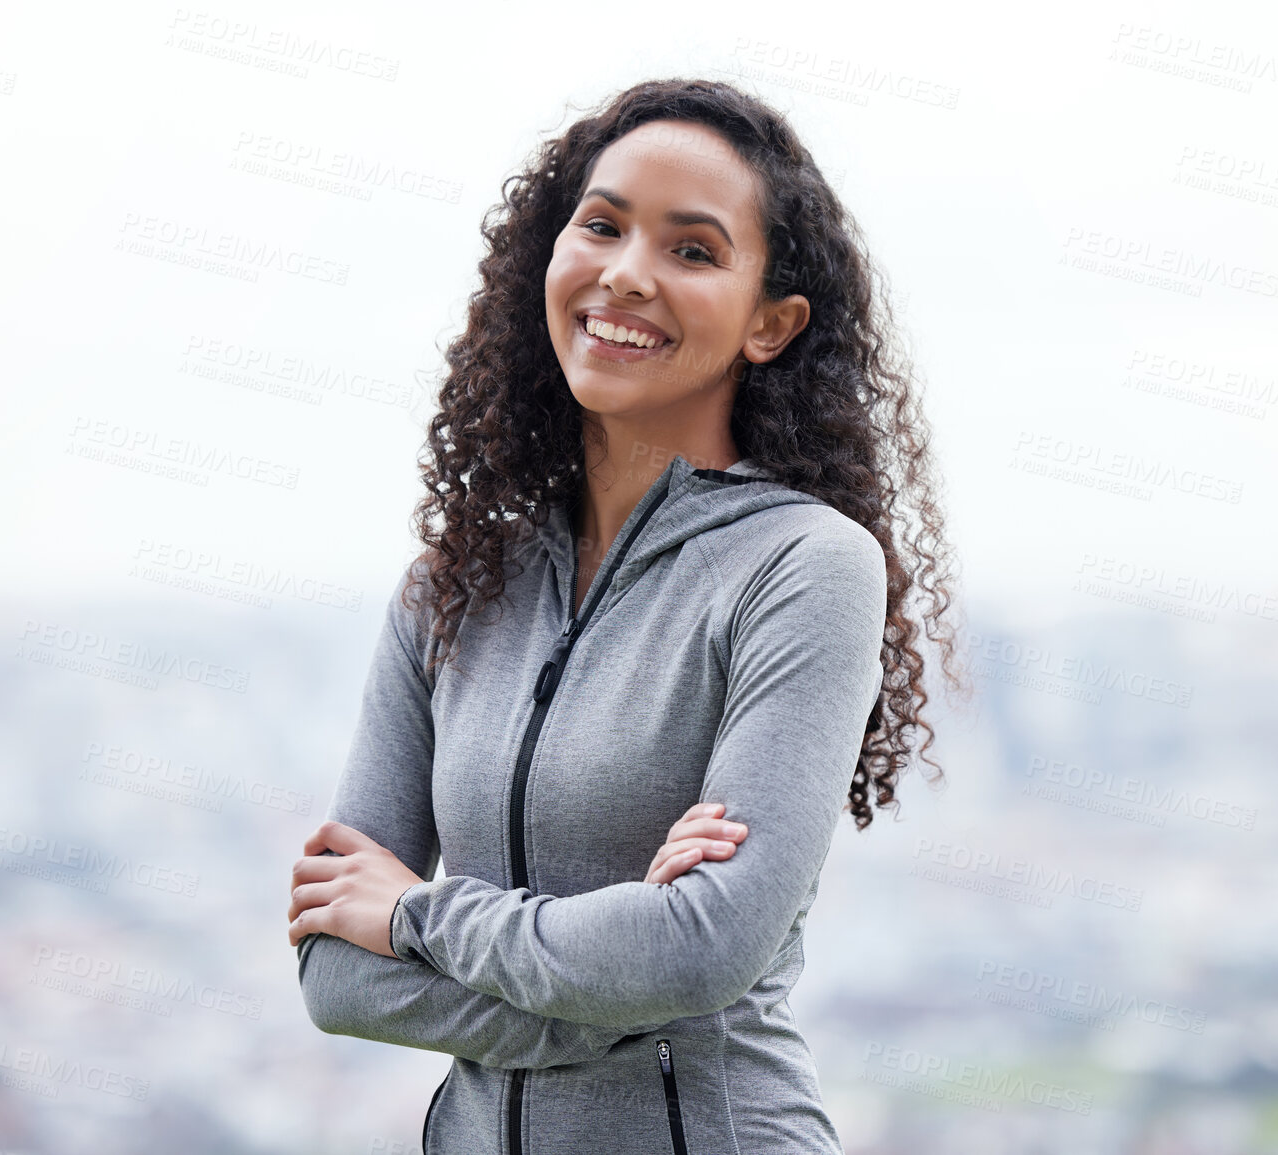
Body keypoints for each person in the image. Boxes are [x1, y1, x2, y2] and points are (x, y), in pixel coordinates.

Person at [286, 77, 955, 1155]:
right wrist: (613, 990)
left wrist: (415, 914)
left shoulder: (804, 565)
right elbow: (333, 971)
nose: (627, 275)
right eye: (600, 226)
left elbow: (700, 952)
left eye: (692, 251)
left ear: (771, 324)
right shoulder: (452, 583)